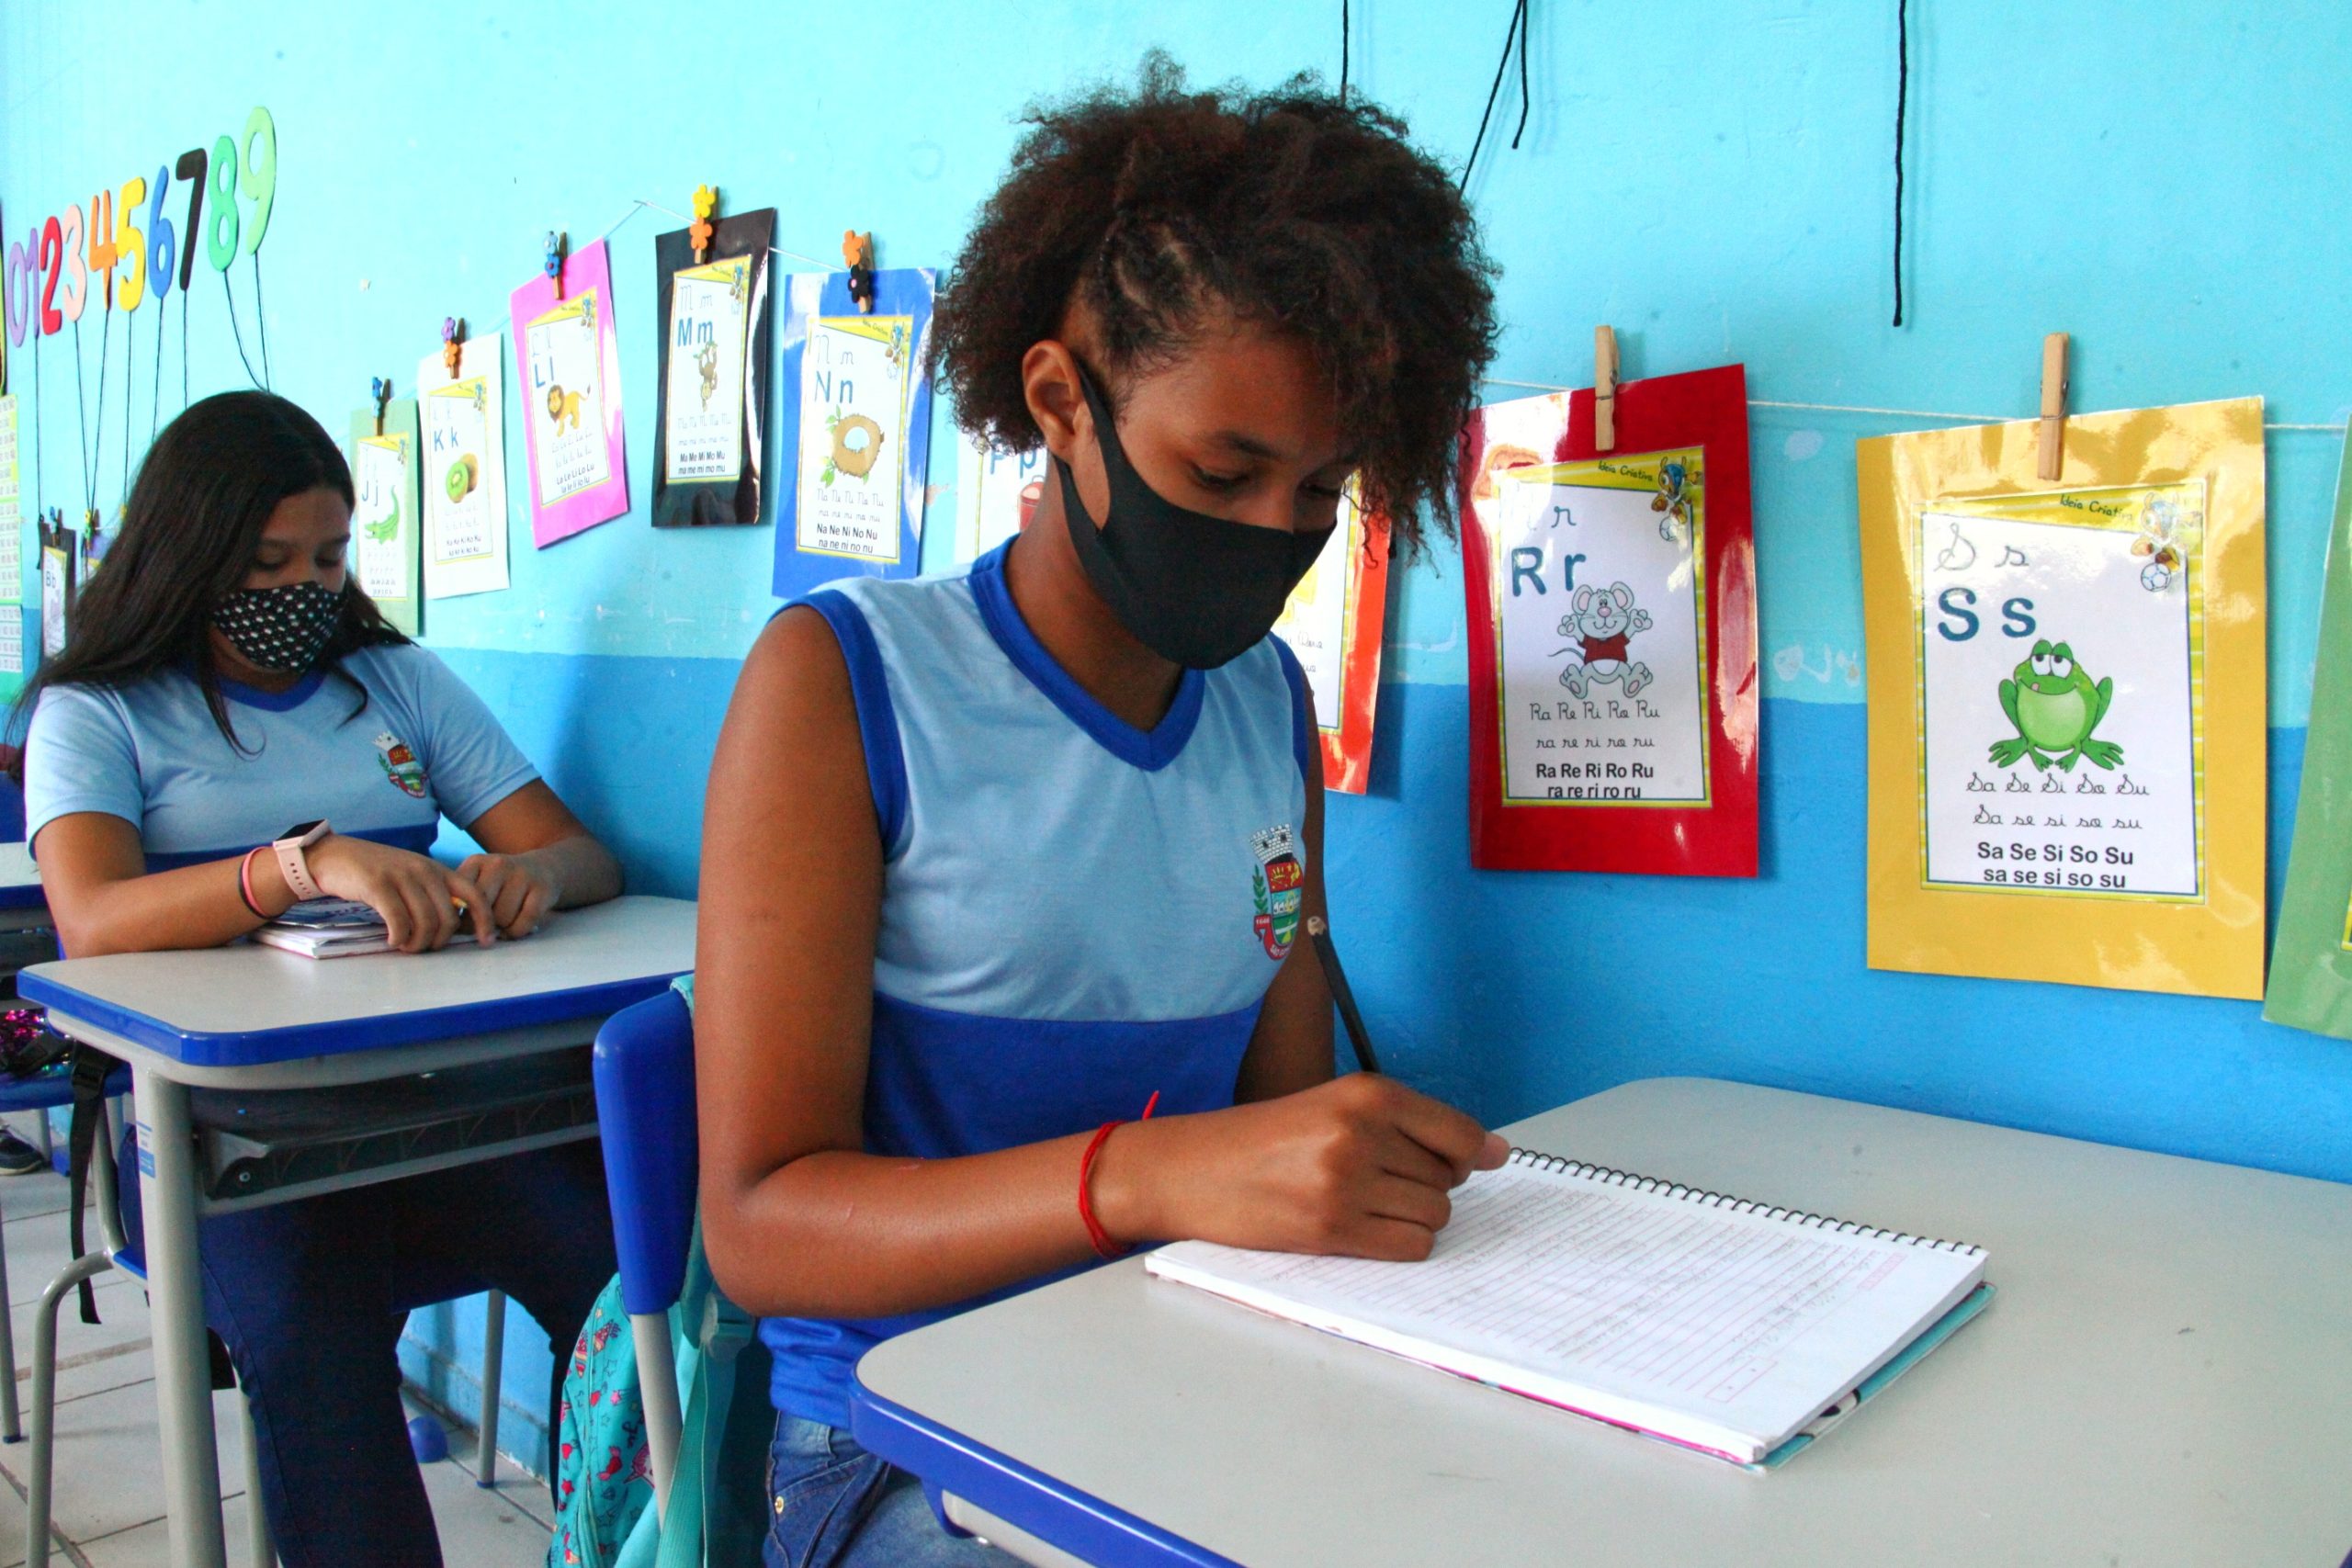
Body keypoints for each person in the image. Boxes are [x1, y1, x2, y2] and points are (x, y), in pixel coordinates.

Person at [696, 59, 1504, 1568]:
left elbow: (1272, 1124)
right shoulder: (845, 682)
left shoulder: (1264, 701)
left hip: (1186, 1383)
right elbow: (759, 1227)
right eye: (1226, 467)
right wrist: (1141, 1175)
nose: (1278, 535)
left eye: (1323, 490)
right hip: (899, 1439)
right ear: (1062, 401)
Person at [19, 390, 624, 1567]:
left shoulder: (394, 683)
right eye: (267, 561)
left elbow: (582, 850)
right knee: (318, 1341)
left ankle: (605, 1541)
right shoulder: (93, 713)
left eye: (331, 558)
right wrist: (293, 867)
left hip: (437, 1108)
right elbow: (90, 921)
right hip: (218, 1146)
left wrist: (529, 877)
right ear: (187, 555)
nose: (306, 588)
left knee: (618, 1268)